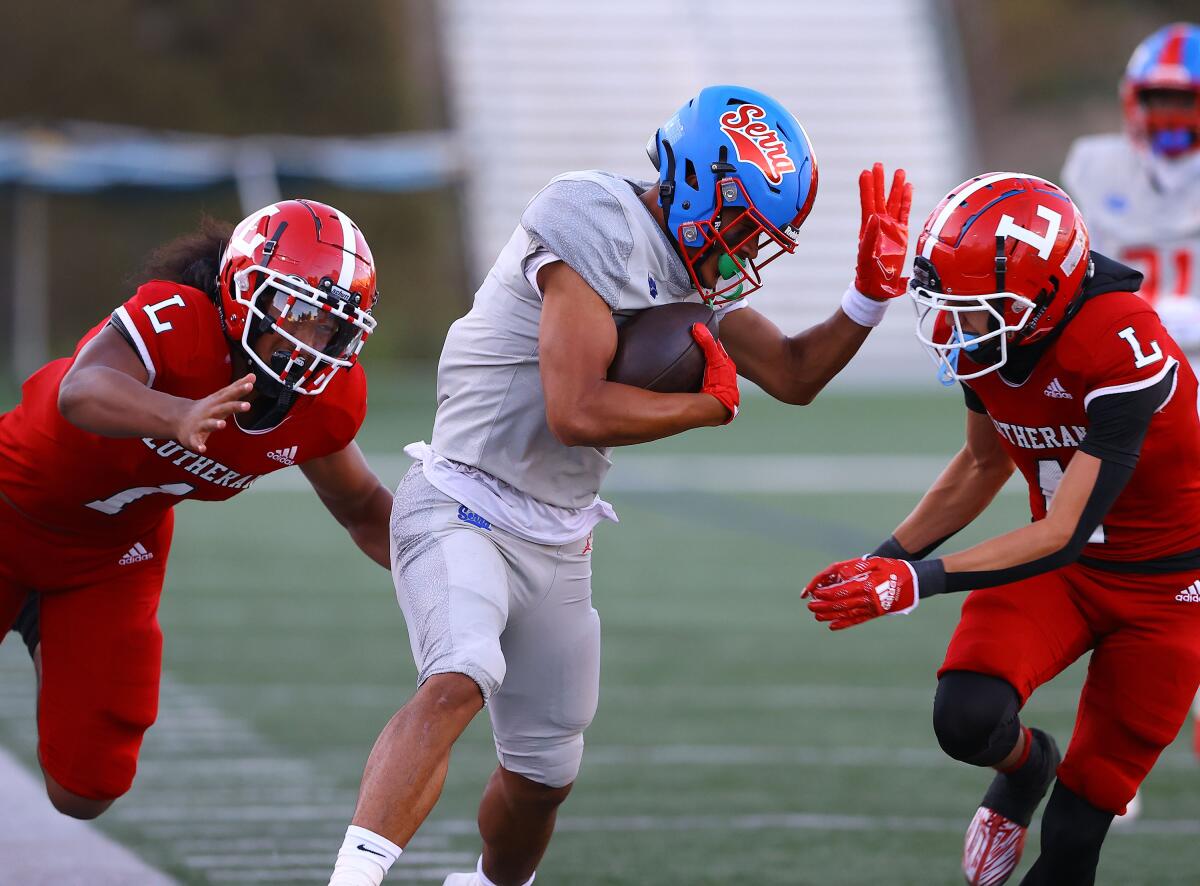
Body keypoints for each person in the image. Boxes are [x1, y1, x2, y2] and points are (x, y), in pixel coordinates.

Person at [326, 84, 913, 886]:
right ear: (700, 182)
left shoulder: (694, 260)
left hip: (560, 532)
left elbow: (793, 373)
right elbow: (575, 411)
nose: (746, 249)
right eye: (742, 224)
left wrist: (869, 300)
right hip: (466, 496)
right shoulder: (593, 217)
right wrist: (701, 408)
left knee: (543, 777)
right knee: (459, 676)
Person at [803, 172, 1200, 886]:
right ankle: (1026, 770)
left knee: (1076, 833)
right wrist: (885, 558)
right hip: (1067, 575)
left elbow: (1065, 531)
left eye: (975, 310)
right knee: (966, 715)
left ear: (1043, 297)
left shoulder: (1121, 344)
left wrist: (914, 581)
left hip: (1166, 592)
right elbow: (982, 465)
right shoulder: (999, 332)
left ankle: (1057, 801)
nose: (957, 327)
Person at [0, 198, 393, 820]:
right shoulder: (180, 320)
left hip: (109, 556)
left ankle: (38, 616)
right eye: (295, 310)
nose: (309, 342)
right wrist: (174, 412)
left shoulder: (325, 403)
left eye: (329, 327)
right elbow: (83, 390)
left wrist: (456, 568)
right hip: (9, 507)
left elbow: (364, 508)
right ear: (244, 290)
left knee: (86, 788)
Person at [1063, 21, 1200, 763]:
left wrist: (1156, 312)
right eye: (1159, 99)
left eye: (1186, 102)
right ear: (1129, 100)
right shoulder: (1097, 165)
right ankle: (1110, 738)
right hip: (1127, 388)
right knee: (1108, 564)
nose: (1170, 118)